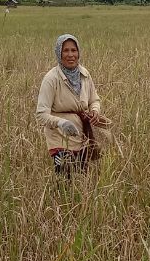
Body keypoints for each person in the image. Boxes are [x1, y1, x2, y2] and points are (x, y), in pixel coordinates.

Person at [35, 34, 109, 177]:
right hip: (59, 138)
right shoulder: (51, 79)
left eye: (74, 50)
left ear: (78, 52)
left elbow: (94, 100)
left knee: (81, 178)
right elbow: (41, 114)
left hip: (81, 136)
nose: (70, 55)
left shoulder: (84, 74)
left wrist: (94, 111)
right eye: (66, 51)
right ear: (59, 53)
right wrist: (61, 123)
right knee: (65, 179)